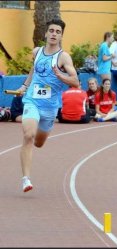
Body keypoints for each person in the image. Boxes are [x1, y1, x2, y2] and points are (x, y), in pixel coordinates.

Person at [16, 18, 80, 192]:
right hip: (32, 101)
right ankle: (26, 179)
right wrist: (25, 85)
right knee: (28, 135)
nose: (54, 34)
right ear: (46, 33)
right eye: (51, 30)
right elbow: (33, 70)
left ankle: (37, 129)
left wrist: (60, 76)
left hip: (50, 108)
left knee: (38, 142)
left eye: (58, 32)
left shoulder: (63, 57)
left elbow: (75, 81)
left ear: (61, 36)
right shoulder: (37, 52)